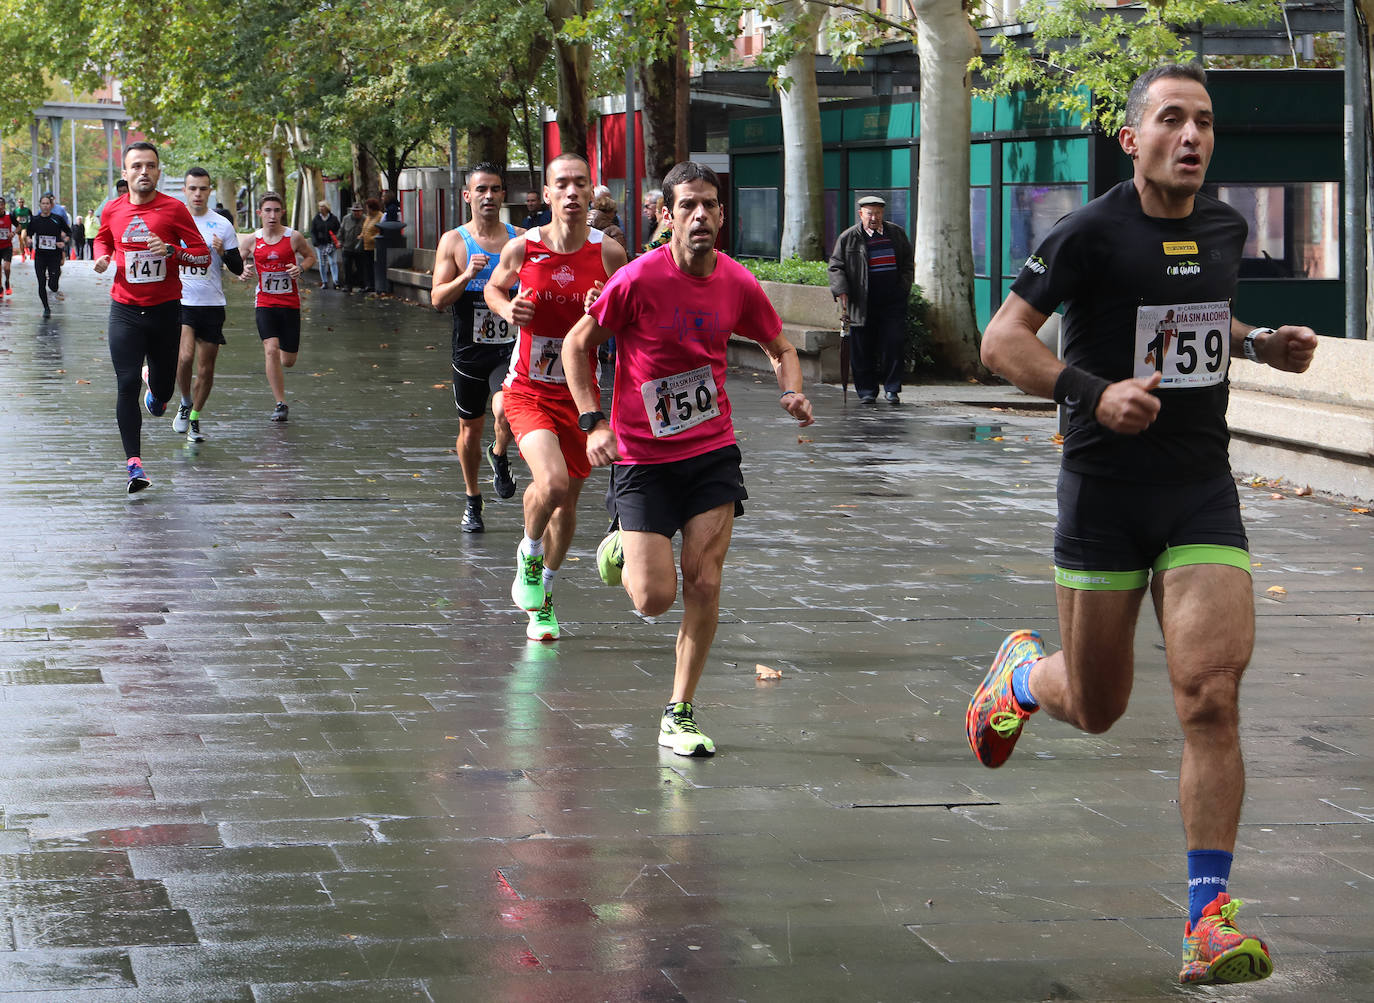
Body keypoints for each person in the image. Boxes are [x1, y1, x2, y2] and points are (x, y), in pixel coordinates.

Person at [968, 63, 1319, 987]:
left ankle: (1209, 917)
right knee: (1099, 705)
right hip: (1104, 494)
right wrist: (1093, 392)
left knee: (1210, 693)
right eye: (1172, 120)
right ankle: (1022, 678)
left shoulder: (1226, 226)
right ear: (1133, 140)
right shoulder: (1086, 233)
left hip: (1200, 489)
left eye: (1204, 121)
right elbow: (1001, 341)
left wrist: (1255, 344)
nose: (1192, 136)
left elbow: (1200, 308)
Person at [564, 160, 813, 757]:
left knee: (704, 581)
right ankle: (623, 537)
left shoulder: (736, 281)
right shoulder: (638, 279)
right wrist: (592, 422)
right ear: (666, 216)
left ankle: (679, 711)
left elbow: (778, 344)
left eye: (709, 205)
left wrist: (792, 389)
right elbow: (577, 346)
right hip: (643, 457)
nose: (699, 215)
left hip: (711, 451)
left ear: (722, 215)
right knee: (653, 598)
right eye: (687, 206)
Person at [484, 153, 628, 641]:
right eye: (561, 184)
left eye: (580, 185)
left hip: (580, 397)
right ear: (546, 195)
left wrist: (600, 313)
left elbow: (625, 322)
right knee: (552, 483)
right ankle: (528, 552)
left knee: (567, 505)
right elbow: (492, 290)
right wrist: (509, 310)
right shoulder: (522, 248)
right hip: (528, 388)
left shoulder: (609, 254)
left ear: (592, 195)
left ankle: (544, 592)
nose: (571, 193)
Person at [92, 142, 211, 493]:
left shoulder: (174, 209)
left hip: (165, 312)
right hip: (125, 310)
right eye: (137, 166)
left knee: (162, 392)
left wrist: (173, 250)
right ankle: (134, 467)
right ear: (125, 173)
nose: (144, 171)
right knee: (125, 385)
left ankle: (156, 390)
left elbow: (202, 256)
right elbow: (103, 241)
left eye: (151, 166)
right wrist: (101, 257)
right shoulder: (112, 210)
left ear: (159, 172)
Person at [430, 163, 523, 534]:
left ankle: (499, 454)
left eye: (495, 189)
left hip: (510, 348)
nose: (489, 196)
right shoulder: (454, 241)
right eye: (481, 189)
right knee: (470, 429)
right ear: (467, 195)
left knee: (507, 409)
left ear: (503, 195)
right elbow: (436, 298)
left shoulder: (521, 239)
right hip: (469, 350)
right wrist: (467, 275)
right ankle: (472, 498)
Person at [174, 167, 245, 443]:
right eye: (192, 188)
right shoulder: (174, 221)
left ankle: (194, 418)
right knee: (185, 356)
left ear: (210, 190)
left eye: (203, 188)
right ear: (185, 191)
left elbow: (238, 268)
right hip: (183, 301)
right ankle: (184, 400)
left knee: (206, 368)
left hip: (212, 304)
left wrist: (223, 252)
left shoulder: (222, 225)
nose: (198, 194)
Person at [827, 194, 914, 404]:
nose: (874, 217)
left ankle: (892, 389)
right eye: (869, 213)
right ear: (861, 214)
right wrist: (841, 290)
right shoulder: (849, 237)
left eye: (877, 213)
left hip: (892, 300)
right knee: (862, 347)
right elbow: (836, 266)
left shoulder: (896, 233)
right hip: (861, 302)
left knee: (893, 344)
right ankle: (866, 391)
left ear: (883, 213)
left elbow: (907, 263)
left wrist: (903, 288)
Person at [238, 192, 316, 422]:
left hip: (290, 304)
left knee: (287, 360)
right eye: (268, 211)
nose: (272, 215)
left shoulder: (294, 237)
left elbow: (310, 257)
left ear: (282, 212)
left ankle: (282, 363)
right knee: (270, 348)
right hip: (264, 303)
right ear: (260, 213)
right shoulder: (252, 240)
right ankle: (280, 402)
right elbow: (236, 260)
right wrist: (242, 269)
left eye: (276, 210)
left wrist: (300, 269)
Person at [26, 194, 72, 318]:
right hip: (40, 255)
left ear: (51, 205)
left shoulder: (57, 219)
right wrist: (29, 240)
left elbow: (69, 232)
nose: (45, 206)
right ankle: (46, 308)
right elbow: (29, 234)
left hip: (54, 255)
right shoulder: (35, 220)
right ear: (40, 205)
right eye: (43, 203)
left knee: (52, 285)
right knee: (41, 282)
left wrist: (64, 242)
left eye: (48, 203)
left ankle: (55, 280)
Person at [309, 200, 341, 289]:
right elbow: (312, 231)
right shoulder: (316, 219)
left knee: (333, 262)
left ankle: (336, 281)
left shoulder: (333, 218)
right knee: (322, 263)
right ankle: (324, 281)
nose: (321, 208)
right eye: (320, 206)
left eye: (323, 206)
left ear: (327, 208)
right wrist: (315, 242)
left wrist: (336, 239)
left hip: (331, 244)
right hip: (320, 245)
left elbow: (339, 230)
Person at [340, 202, 365, 292]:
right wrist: (340, 242)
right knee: (347, 267)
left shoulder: (365, 219)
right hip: (347, 247)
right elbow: (341, 231)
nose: (356, 213)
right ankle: (348, 285)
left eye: (358, 211)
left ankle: (362, 285)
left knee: (361, 267)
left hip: (360, 248)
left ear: (362, 211)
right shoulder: (346, 218)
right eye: (354, 211)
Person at [359, 198, 381, 293]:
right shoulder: (368, 217)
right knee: (366, 267)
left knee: (372, 266)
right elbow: (365, 228)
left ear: (372, 208)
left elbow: (380, 231)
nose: (366, 210)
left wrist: (372, 238)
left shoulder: (380, 217)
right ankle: (368, 284)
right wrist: (362, 235)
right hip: (365, 246)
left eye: (368, 208)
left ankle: (373, 285)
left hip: (373, 247)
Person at [0, 196, 16, 295]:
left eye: (1, 205)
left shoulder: (9, 216)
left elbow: (19, 226)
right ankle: (0, 288)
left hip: (7, 246)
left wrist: (13, 233)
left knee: (6, 268)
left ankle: (7, 282)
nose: (0, 207)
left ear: (4, 206)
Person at [14, 198, 31, 263]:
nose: (21, 203)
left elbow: (31, 217)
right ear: (18, 203)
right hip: (19, 228)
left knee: (23, 237)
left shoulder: (27, 210)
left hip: (25, 227)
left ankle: (26, 249)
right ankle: (23, 255)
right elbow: (13, 219)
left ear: (24, 203)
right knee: (21, 242)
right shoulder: (16, 211)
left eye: (22, 202)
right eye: (19, 202)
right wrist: (17, 220)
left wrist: (29, 224)